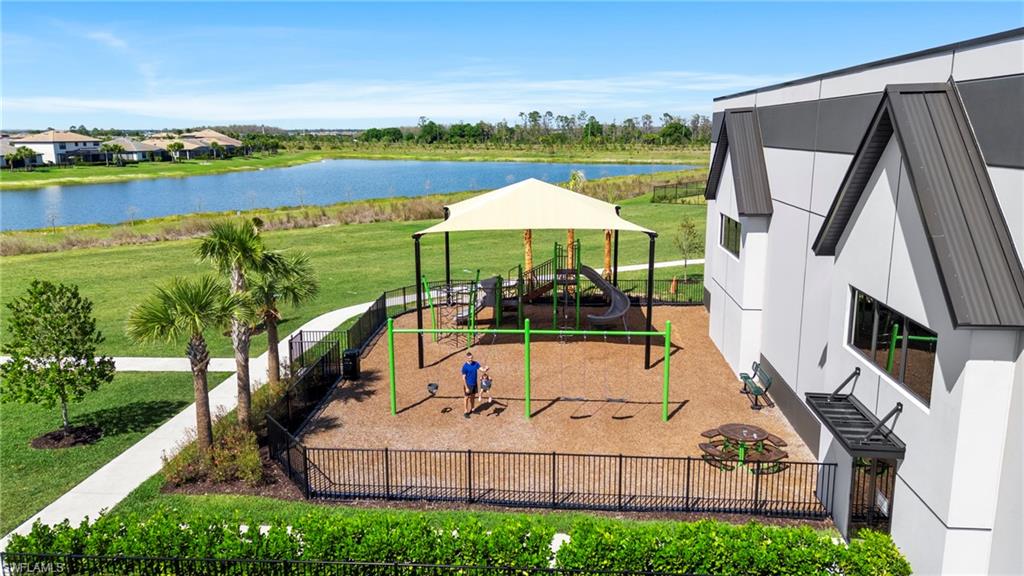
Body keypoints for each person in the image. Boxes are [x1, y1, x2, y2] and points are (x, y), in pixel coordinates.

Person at [460, 352, 481, 418]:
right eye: (469, 358)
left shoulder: (476, 363)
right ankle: (465, 411)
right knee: (466, 398)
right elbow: (463, 378)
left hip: (474, 383)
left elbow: (481, 369)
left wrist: (485, 369)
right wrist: (466, 387)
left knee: (473, 397)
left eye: (471, 358)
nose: (471, 359)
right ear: (467, 358)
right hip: (468, 385)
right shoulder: (465, 367)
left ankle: (472, 409)